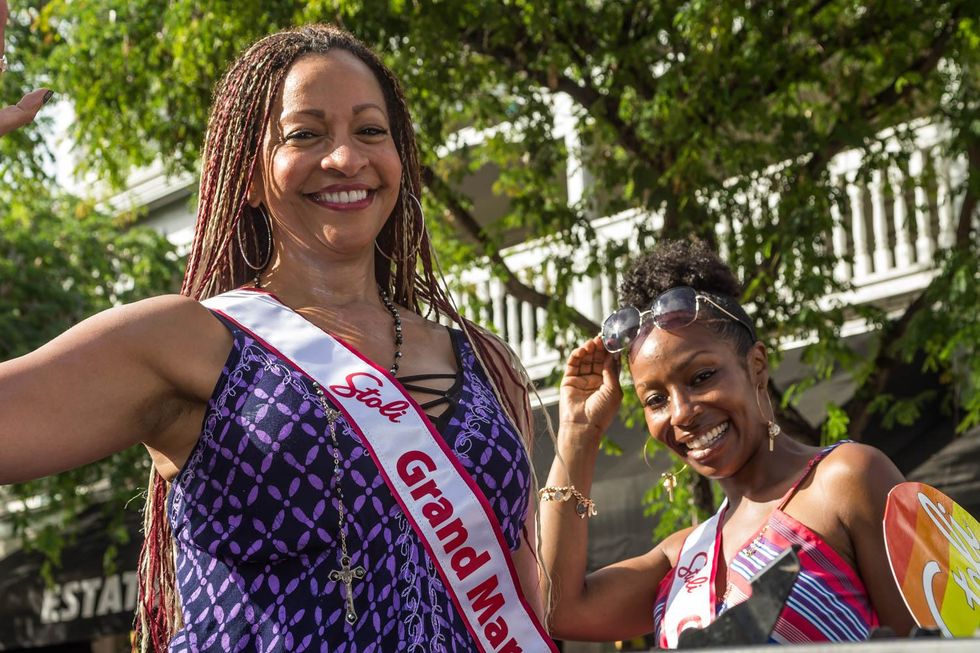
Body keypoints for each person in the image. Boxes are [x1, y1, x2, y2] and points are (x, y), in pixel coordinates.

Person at [1, 17, 557, 653]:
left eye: (370, 131)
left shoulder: (486, 362)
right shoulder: (186, 341)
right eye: (305, 134)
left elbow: (524, 600)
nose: (346, 158)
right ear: (247, 174)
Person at [540, 238, 915, 646]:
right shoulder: (681, 556)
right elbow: (558, 609)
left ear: (757, 366)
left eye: (701, 377)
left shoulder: (846, 481)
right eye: (656, 400)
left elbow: (938, 640)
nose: (681, 413)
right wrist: (578, 431)